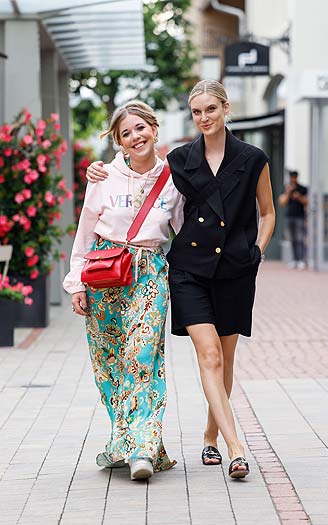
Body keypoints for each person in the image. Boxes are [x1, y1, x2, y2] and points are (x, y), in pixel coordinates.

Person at [86, 80, 275, 479]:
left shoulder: (251, 158)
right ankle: (235, 449)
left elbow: (265, 211)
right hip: (187, 271)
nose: (204, 117)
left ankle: (210, 436)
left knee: (224, 360)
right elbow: (135, 179)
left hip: (232, 269)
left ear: (226, 109)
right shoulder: (181, 160)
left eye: (211, 109)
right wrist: (100, 169)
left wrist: (256, 251)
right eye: (197, 111)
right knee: (208, 357)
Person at [63, 101, 184, 481]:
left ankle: (143, 449)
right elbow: (85, 231)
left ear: (154, 127)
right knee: (110, 364)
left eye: (140, 128)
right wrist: (75, 283)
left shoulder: (173, 180)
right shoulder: (103, 178)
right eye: (126, 133)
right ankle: (123, 440)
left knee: (142, 357)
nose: (136, 137)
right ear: (118, 141)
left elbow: (185, 231)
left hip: (149, 273)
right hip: (103, 272)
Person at [278, 170, 308, 269]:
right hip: (289, 217)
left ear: (297, 177)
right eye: (291, 177)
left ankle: (302, 260)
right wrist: (288, 192)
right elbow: (282, 203)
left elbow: (307, 202)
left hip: (300, 217)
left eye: (294, 177)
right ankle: (295, 260)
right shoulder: (287, 188)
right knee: (292, 239)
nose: (293, 179)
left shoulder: (302, 188)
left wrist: (299, 196)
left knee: (300, 239)